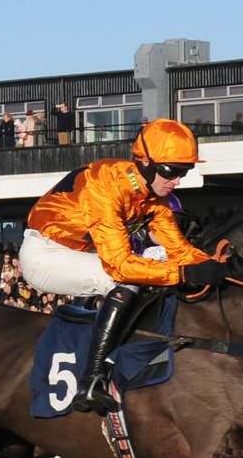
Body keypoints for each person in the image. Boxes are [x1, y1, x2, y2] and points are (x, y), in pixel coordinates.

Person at [20, 117, 230, 413]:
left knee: (155, 268)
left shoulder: (154, 199)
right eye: (172, 171)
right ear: (144, 163)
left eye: (185, 171)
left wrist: (214, 266)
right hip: (45, 254)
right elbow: (120, 265)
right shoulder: (104, 186)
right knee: (127, 280)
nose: (178, 180)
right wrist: (184, 272)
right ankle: (91, 382)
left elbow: (179, 250)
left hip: (78, 253)